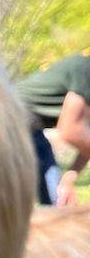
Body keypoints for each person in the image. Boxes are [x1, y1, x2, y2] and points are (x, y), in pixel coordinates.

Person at [18, 50, 90, 206]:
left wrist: (69, 178)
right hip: (9, 117)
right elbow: (71, 130)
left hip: (30, 126)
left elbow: (84, 138)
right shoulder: (86, 70)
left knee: (57, 199)